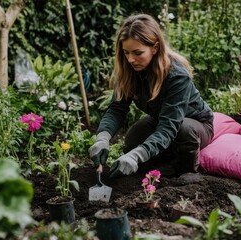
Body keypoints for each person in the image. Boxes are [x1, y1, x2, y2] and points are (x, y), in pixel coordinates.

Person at [89, 14, 214, 178]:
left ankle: (187, 170)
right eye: (126, 53)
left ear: (155, 48)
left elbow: (169, 127)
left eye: (138, 53)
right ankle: (164, 163)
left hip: (196, 126)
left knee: (183, 130)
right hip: (163, 119)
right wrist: (102, 139)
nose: (131, 59)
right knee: (134, 137)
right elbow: (116, 110)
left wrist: (136, 156)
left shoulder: (176, 76)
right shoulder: (130, 70)